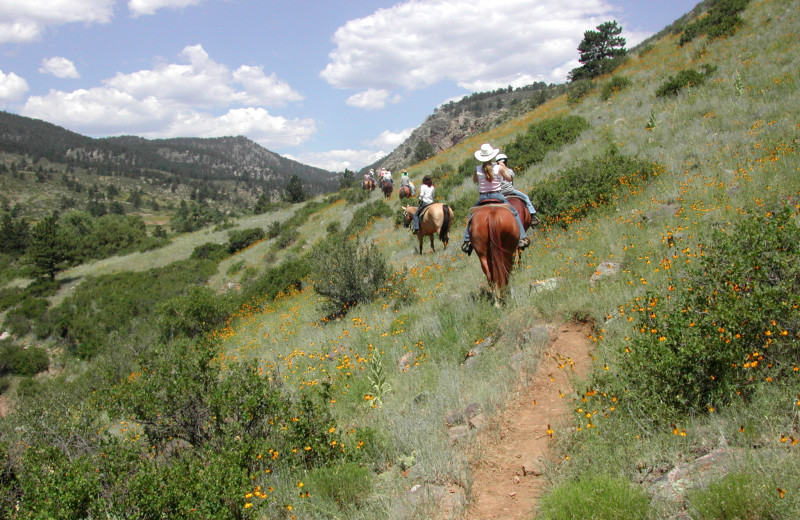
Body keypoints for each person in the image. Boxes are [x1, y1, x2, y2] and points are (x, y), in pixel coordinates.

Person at [462, 143, 529, 254]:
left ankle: (467, 240)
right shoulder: (498, 168)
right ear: (492, 156)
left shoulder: (477, 169)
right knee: (515, 212)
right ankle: (522, 237)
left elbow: (475, 180)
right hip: (498, 195)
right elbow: (509, 178)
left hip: (483, 197)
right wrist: (503, 169)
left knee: (471, 216)